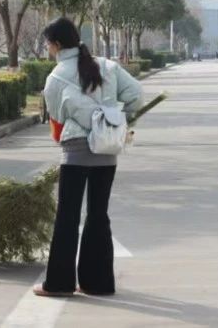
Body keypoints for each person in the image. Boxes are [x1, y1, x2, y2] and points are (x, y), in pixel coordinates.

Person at [35, 17, 142, 298]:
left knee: (67, 217)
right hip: (106, 151)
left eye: (48, 43)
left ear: (57, 44)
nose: (47, 48)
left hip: (75, 152)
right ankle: (98, 283)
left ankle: (59, 283)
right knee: (98, 214)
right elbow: (136, 95)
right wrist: (116, 120)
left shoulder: (56, 77)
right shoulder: (108, 66)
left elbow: (57, 118)